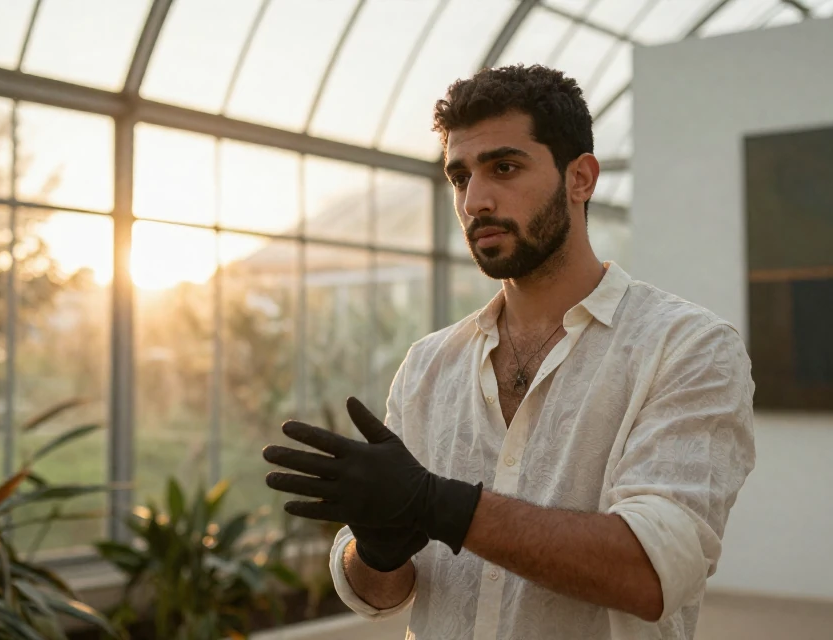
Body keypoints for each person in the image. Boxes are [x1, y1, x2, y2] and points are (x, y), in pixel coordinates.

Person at [261, 64, 756, 640]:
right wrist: (377, 546)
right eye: (460, 177)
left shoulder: (688, 347)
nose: (475, 201)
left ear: (581, 178)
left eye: (504, 167)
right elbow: (380, 596)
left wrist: (440, 505)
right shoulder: (428, 366)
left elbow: (651, 573)